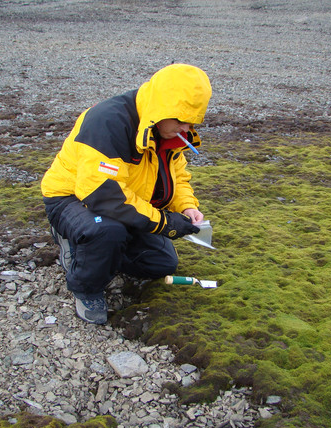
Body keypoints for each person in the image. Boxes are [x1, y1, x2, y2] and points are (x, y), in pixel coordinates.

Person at [41, 64, 212, 325]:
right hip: (72, 198)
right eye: (180, 120)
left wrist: (186, 206)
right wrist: (163, 223)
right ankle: (85, 285)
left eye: (192, 121)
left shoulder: (168, 131)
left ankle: (97, 252)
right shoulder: (108, 123)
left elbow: (177, 175)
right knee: (106, 232)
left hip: (125, 203)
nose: (186, 129)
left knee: (161, 264)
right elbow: (102, 194)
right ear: (161, 107)